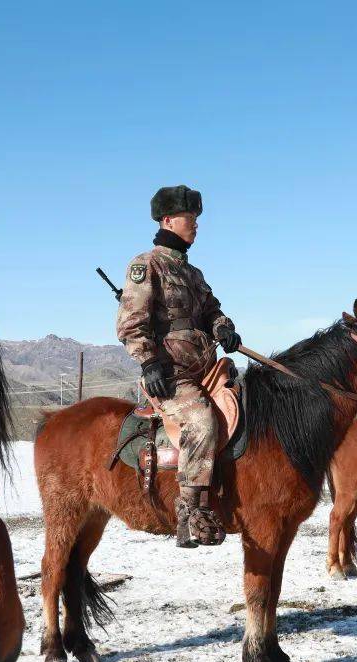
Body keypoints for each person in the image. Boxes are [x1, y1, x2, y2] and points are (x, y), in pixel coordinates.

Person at [116, 185, 241, 548]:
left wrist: (224, 328)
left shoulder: (194, 273)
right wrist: (149, 361)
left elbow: (212, 310)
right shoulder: (146, 265)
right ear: (169, 220)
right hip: (171, 375)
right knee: (201, 421)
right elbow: (130, 323)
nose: (196, 226)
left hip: (207, 366)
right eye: (191, 219)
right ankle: (190, 510)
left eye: (198, 219)